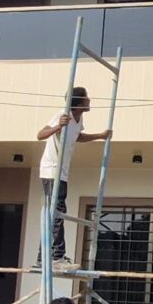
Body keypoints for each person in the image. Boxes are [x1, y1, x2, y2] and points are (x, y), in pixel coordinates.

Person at [34, 87, 110, 271]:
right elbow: (40, 135)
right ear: (79, 103)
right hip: (52, 171)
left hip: (61, 173)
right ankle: (56, 257)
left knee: (54, 214)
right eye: (86, 98)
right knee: (57, 212)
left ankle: (43, 257)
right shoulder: (63, 115)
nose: (89, 100)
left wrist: (100, 136)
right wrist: (58, 126)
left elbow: (78, 136)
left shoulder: (79, 119)